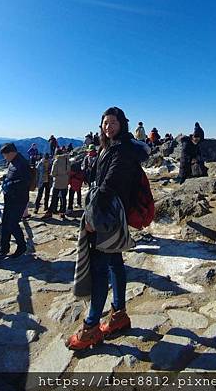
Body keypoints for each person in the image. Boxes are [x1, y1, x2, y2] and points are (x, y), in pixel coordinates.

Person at [66, 106, 150, 350]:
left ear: (122, 124)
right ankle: (119, 315)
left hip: (107, 214)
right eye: (105, 123)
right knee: (114, 262)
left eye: (112, 123)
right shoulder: (109, 147)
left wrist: (91, 216)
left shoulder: (122, 150)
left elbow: (110, 184)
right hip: (111, 211)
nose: (108, 126)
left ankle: (91, 327)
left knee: (100, 268)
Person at [0, 143, 31, 258]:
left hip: (18, 199)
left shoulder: (22, 163)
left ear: (11, 153)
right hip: (11, 198)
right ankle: (3, 248)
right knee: (5, 223)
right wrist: (6, 180)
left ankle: (22, 246)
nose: (4, 158)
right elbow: (13, 177)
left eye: (5, 155)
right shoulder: (14, 161)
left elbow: (25, 182)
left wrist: (10, 184)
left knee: (12, 223)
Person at [42, 148, 70, 220]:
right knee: (63, 198)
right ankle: (62, 213)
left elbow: (53, 173)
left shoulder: (56, 161)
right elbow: (69, 171)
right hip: (65, 181)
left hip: (57, 182)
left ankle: (50, 212)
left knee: (54, 198)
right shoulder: (67, 160)